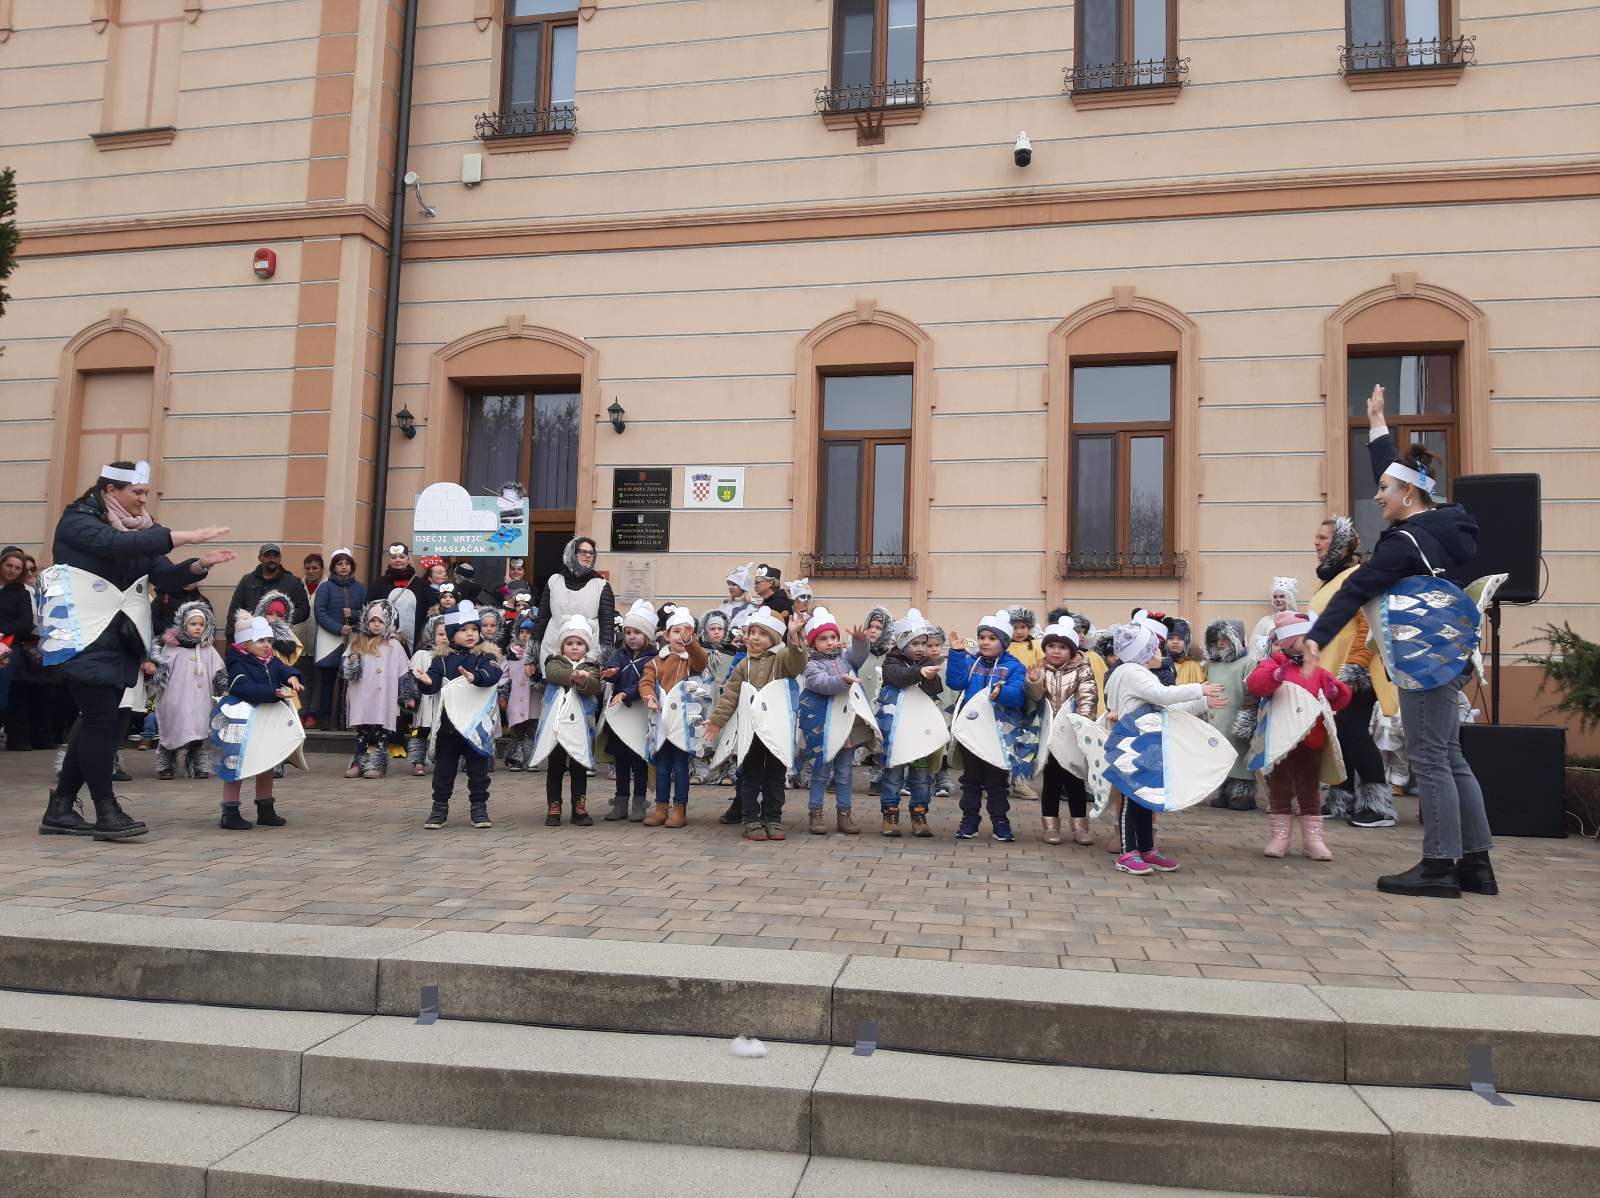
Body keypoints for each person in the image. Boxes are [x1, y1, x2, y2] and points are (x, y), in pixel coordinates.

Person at [1304, 384, 1493, 899]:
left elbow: (1355, 590)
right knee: (1450, 756)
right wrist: (1379, 426)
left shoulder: (1402, 545)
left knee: (1430, 758)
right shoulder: (1443, 525)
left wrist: (1316, 640)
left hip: (1418, 657)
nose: (1377, 495)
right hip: (1447, 655)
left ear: (1407, 495)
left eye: (1383, 491)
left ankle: (1439, 865)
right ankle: (1476, 864)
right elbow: (1400, 473)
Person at [37, 460, 234, 839]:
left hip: (121, 638)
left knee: (96, 719)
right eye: (138, 492)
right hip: (82, 635)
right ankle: (106, 810)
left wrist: (197, 566)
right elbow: (116, 545)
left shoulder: (143, 530)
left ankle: (61, 807)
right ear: (111, 490)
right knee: (100, 720)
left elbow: (161, 573)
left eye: (146, 492)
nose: (145, 499)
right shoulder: (77, 521)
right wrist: (185, 535)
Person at [1102, 619, 1228, 876]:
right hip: (1133, 747)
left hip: (1148, 746)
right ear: (1144, 653)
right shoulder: (1132, 674)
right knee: (1131, 799)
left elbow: (1166, 708)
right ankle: (1128, 853)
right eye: (1155, 648)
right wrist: (1197, 689)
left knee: (1147, 799)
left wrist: (1203, 702)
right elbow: (1164, 696)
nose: (1161, 652)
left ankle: (1147, 849)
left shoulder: (1141, 675)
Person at [1310, 514, 1400, 829]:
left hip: (1356, 673)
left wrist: (1356, 667)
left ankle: (1379, 806)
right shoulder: (1327, 579)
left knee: (1352, 733)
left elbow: (1366, 624)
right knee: (1339, 737)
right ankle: (1341, 800)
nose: (1316, 543)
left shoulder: (1358, 574)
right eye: (1317, 537)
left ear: (1340, 544)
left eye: (1323, 538)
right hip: (1331, 673)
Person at [1247, 611, 1351, 861]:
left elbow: (1340, 700)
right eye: (1304, 637)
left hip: (1311, 740)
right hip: (1282, 742)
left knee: (1310, 789)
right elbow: (1255, 684)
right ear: (1288, 641)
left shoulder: (1318, 671)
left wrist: (1336, 691)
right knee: (1280, 788)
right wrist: (1275, 676)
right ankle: (1280, 837)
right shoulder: (1273, 664)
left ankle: (1313, 840)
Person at [705, 607, 806, 842]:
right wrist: (718, 721)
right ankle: (750, 819)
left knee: (774, 775)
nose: (754, 637)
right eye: (752, 632)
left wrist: (793, 639)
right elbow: (730, 695)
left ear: (773, 638)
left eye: (762, 633)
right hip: (751, 732)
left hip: (775, 730)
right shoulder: (744, 666)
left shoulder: (781, 659)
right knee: (749, 775)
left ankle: (773, 817)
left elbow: (797, 662)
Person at [415, 602, 503, 830]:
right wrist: (426, 682)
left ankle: (479, 808)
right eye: (463, 630)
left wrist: (476, 677)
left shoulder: (485, 656)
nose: (470, 634)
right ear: (453, 635)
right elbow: (433, 682)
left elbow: (494, 674)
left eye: (474, 629)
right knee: (444, 771)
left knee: (478, 771)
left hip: (476, 725)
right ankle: (439, 808)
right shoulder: (441, 660)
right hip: (449, 726)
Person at [944, 612, 1028, 842]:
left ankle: (1000, 821)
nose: (985, 642)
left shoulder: (1014, 667)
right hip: (971, 733)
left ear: (1003, 642)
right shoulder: (971, 661)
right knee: (970, 779)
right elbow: (955, 682)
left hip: (998, 734)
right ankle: (969, 820)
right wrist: (956, 654)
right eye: (982, 637)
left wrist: (1002, 693)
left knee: (997, 781)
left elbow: (1018, 696)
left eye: (992, 638)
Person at [214, 614, 303, 829]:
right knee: (237, 765)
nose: (266, 645)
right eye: (260, 641)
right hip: (243, 722)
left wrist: (292, 677)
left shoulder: (271, 660)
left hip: (266, 720)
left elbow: (283, 670)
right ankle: (230, 811)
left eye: (269, 641)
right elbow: (243, 688)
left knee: (267, 763)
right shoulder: (238, 663)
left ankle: (265, 809)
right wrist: (274, 693)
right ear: (245, 644)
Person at [798, 607, 871, 836]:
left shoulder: (846, 658)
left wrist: (860, 642)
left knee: (845, 773)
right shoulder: (811, 666)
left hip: (846, 727)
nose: (830, 642)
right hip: (824, 727)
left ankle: (845, 814)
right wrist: (843, 680)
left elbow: (859, 657)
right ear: (813, 643)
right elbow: (820, 683)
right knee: (820, 771)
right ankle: (816, 813)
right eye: (823, 639)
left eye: (833, 637)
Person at [1025, 620, 1098, 846]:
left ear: (1072, 650)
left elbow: (1087, 697)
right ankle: (1050, 826)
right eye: (1051, 646)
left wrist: (1083, 722)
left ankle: (1080, 826)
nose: (1056, 651)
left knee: (1075, 780)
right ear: (1044, 648)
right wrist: (1034, 681)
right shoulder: (1040, 668)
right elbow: (1036, 699)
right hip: (1049, 734)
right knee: (1051, 783)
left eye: (1063, 647)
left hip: (1072, 734)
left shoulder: (1082, 670)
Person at [640, 604, 710, 827]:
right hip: (661, 723)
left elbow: (701, 661)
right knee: (662, 767)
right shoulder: (655, 661)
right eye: (676, 631)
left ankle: (680, 809)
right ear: (666, 634)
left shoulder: (692, 660)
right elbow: (646, 681)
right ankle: (661, 807)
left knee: (680, 767)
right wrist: (649, 696)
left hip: (683, 724)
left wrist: (692, 644)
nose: (681, 636)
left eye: (686, 631)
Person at [876, 609, 944, 837]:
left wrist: (931, 678)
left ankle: (919, 813)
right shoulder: (892, 661)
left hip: (921, 731)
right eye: (914, 643)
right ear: (903, 642)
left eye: (924, 643)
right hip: (895, 731)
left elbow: (936, 690)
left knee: (921, 775)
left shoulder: (927, 662)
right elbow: (898, 677)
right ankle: (890, 813)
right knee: (893, 773)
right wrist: (919, 672)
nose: (920, 648)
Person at [541, 614, 605, 828]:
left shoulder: (591, 666)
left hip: (581, 726)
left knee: (579, 765)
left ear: (586, 647)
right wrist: (575, 677)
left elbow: (595, 685)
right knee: (555, 766)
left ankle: (579, 805)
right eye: (569, 643)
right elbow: (553, 674)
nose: (574, 647)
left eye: (579, 643)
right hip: (557, 725)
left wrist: (586, 680)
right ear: (562, 646)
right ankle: (554, 805)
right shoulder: (554, 661)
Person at [151, 600, 226, 780]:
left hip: (200, 698)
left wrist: (222, 684)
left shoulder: (208, 649)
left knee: (199, 727)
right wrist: (157, 676)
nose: (198, 628)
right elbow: (161, 668)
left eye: (202, 624)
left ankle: (197, 759)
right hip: (175, 696)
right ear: (183, 624)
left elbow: (218, 670)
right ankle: (167, 759)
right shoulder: (172, 647)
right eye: (193, 624)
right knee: (173, 726)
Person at [341, 598, 414, 779]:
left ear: (388, 623)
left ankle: (378, 762)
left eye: (380, 621)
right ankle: (360, 760)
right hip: (362, 693)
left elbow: (404, 671)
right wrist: (352, 662)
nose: (376, 625)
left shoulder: (393, 645)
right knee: (363, 729)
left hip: (383, 695)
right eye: (372, 620)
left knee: (381, 729)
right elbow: (345, 665)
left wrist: (407, 695)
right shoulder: (357, 642)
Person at [601, 600, 657, 819]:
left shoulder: (652, 659)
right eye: (628, 632)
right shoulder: (620, 654)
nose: (632, 636)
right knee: (620, 760)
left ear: (648, 635)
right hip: (619, 715)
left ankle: (639, 803)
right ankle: (620, 802)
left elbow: (644, 682)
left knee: (638, 761)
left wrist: (627, 693)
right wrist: (610, 674)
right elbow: (613, 673)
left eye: (637, 632)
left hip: (639, 714)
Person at [530, 536, 616, 664]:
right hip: (553, 652)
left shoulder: (601, 585)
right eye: (583, 552)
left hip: (588, 654)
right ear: (571, 554)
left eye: (591, 553)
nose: (588, 555)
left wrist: (604, 659)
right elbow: (542, 618)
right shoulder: (554, 581)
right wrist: (531, 657)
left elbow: (607, 626)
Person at [1203, 620, 1260, 812]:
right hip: (1216, 717)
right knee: (1221, 753)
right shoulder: (1211, 665)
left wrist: (1248, 717)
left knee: (1240, 752)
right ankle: (1225, 790)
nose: (1220, 643)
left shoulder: (1247, 662)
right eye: (1217, 639)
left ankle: (1243, 792)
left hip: (1237, 716)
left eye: (1225, 639)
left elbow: (1252, 690)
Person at [313, 548, 365, 728]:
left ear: (351, 567)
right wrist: (338, 628)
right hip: (330, 640)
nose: (343, 567)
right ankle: (325, 721)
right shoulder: (325, 587)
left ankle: (347, 721)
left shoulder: (359, 588)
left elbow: (366, 613)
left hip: (352, 640)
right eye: (339, 564)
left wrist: (355, 614)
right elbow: (320, 612)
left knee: (351, 682)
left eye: (347, 564)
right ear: (334, 567)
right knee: (327, 683)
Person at [228, 544, 310, 629]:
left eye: (275, 556)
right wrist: (231, 638)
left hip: (281, 636)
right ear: (259, 558)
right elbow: (234, 610)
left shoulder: (293, 582)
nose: (272, 559)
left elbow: (303, 610)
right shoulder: (247, 581)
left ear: (280, 558)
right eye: (267, 556)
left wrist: (282, 618)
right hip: (251, 635)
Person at [407, 615, 448, 775]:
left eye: (446, 634)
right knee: (422, 729)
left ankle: (443, 760)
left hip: (444, 700)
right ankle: (418, 760)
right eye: (440, 634)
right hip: (426, 700)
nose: (444, 638)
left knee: (443, 731)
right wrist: (409, 697)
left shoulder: (453, 656)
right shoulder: (422, 655)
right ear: (432, 634)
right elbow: (411, 678)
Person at [503, 615, 543, 772]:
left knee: (532, 729)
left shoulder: (540, 653)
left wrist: (536, 674)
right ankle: (517, 759)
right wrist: (503, 695)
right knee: (517, 728)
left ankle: (532, 758)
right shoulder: (511, 652)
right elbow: (505, 676)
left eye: (530, 633)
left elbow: (543, 676)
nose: (525, 636)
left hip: (533, 696)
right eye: (523, 632)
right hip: (516, 697)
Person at [379, 542, 429, 648]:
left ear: (408, 559)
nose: (398, 560)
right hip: (385, 640)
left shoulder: (421, 584)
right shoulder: (379, 584)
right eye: (393, 557)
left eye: (402, 556)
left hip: (415, 641)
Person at [1250, 578, 1300, 659]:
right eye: (1275, 597)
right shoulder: (1265, 621)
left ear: (1289, 598)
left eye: (1282, 596)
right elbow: (1255, 649)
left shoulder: (1298, 619)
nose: (1278, 600)